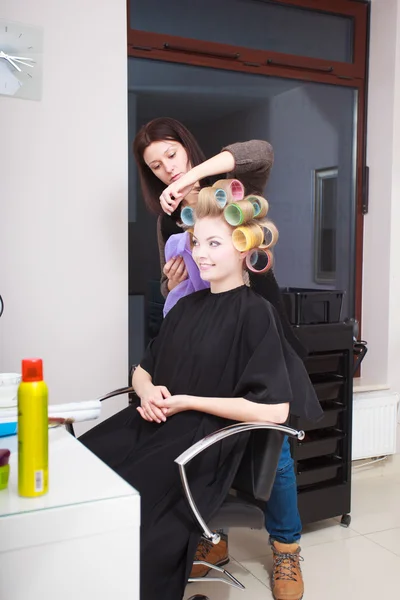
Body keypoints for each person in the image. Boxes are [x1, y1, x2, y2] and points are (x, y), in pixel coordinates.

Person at [80, 188, 322, 600]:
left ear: (245, 250)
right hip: (151, 424)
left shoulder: (254, 313)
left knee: (131, 511)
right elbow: (143, 367)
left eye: (214, 243)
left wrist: (188, 401)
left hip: (198, 443)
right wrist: (146, 388)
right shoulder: (186, 307)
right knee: (80, 474)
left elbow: (276, 409)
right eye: (196, 242)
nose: (201, 253)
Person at [133, 118, 309, 600]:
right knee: (202, 434)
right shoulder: (169, 222)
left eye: (171, 155)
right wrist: (171, 284)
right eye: (156, 166)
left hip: (255, 328)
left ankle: (286, 549)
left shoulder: (229, 187)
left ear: (187, 150)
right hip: (208, 338)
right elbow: (185, 289)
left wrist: (194, 181)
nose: (167, 169)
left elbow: (261, 151)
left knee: (273, 443)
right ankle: (211, 537)